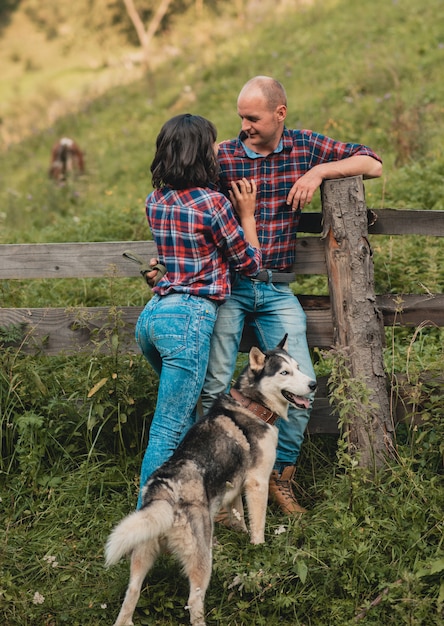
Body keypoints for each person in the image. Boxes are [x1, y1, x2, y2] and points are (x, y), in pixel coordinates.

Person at [199, 76, 383, 515]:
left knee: (302, 388)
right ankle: (216, 485)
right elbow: (183, 196)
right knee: (214, 385)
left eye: (253, 117)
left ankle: (281, 477)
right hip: (231, 286)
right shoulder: (222, 156)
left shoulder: (303, 147)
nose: (244, 125)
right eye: (240, 116)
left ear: (280, 113)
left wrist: (318, 171)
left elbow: (372, 163)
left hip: (278, 289)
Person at [134, 113, 261, 509]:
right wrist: (247, 215)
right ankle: (148, 521)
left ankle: (196, 502)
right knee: (168, 428)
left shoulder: (155, 201)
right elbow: (250, 264)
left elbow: (175, 259)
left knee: (183, 412)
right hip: (187, 321)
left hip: (153, 317)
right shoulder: (214, 203)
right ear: (201, 154)